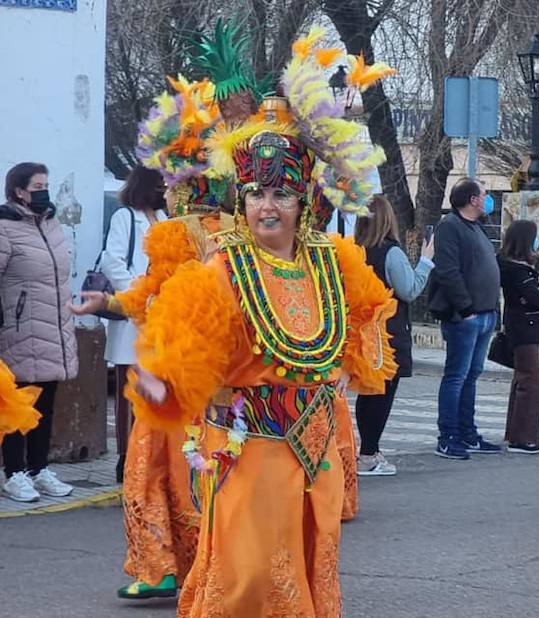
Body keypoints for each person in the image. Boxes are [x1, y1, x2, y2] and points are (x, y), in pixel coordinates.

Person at [124, 33, 397, 616]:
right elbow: (183, 342)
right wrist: (161, 379)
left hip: (314, 441)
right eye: (255, 195)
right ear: (241, 201)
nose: (266, 206)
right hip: (250, 443)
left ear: (304, 202)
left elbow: (366, 319)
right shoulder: (223, 267)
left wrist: (352, 367)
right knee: (248, 574)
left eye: (280, 194)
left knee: (311, 558)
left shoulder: (332, 261)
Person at [72, 73, 233, 599]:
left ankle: (163, 567)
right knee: (211, 471)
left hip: (171, 375)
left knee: (153, 468)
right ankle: (212, 567)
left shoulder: (178, 232)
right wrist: (112, 302)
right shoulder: (240, 233)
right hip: (225, 380)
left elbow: (152, 291)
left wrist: (112, 303)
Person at [0, 162, 77, 503]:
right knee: (17, 404)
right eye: (36, 185)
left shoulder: (50, 222)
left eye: (46, 183)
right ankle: (14, 473)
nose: (43, 190)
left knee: (45, 403)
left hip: (54, 326)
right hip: (19, 329)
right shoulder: (5, 226)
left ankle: (38, 469)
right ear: (18, 190)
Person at [354, 195, 434, 475]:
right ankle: (368, 454)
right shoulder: (391, 252)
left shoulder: (357, 250)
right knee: (383, 395)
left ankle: (367, 449)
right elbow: (409, 290)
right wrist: (426, 262)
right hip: (389, 333)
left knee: (368, 394)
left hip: (364, 334)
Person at [104, 166, 169, 483]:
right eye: (160, 184)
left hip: (163, 317)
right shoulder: (125, 218)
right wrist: (139, 295)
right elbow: (112, 260)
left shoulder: (166, 220)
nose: (165, 189)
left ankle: (153, 456)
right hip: (134, 317)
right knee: (129, 392)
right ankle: (127, 457)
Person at [429, 178, 502, 459]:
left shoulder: (476, 227)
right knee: (457, 377)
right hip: (465, 317)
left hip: (484, 314)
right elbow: (447, 270)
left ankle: (467, 432)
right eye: (484, 194)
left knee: (471, 376)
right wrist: (465, 307)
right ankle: (448, 437)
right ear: (472, 199)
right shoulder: (450, 227)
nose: (487, 199)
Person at [498, 220, 539, 454]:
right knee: (530, 382)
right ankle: (523, 438)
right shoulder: (512, 269)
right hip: (523, 328)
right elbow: (537, 297)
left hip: (531, 327)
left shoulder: (525, 266)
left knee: (525, 379)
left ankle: (521, 429)